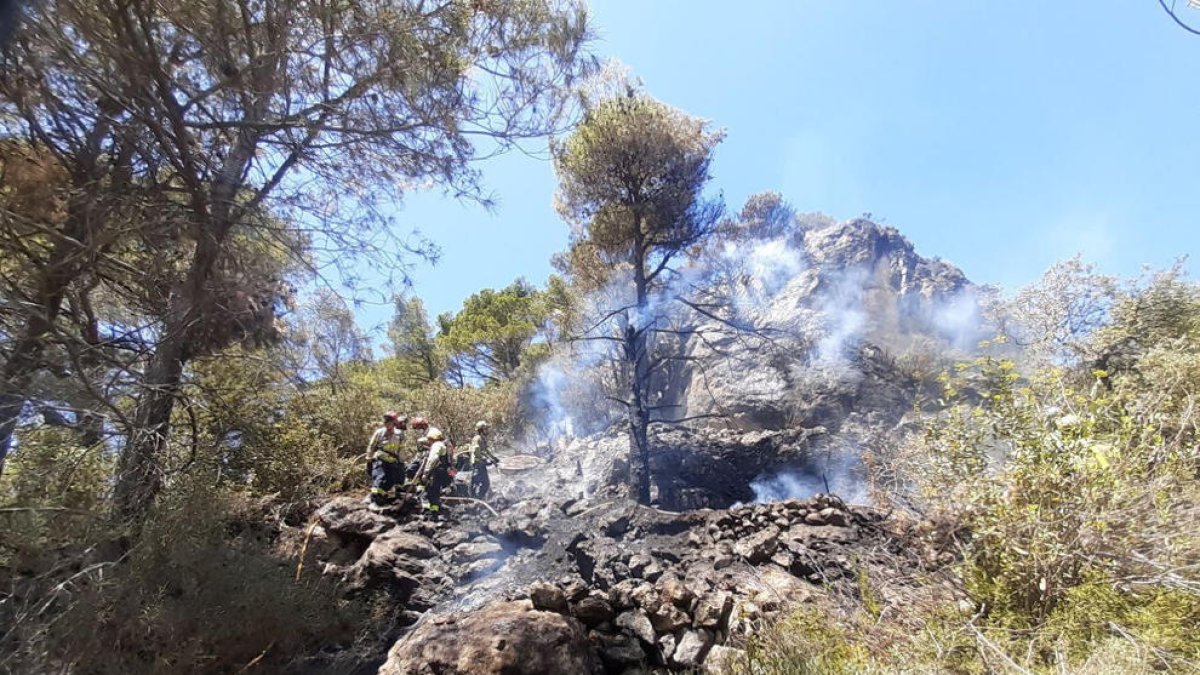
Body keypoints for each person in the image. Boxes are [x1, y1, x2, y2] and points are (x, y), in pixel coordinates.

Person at [365, 411, 407, 510]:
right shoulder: (379, 433)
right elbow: (371, 446)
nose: (387, 423)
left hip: (393, 461)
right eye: (385, 421)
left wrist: (401, 461)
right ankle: (374, 500)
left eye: (389, 422)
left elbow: (401, 449)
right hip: (381, 458)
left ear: (394, 423)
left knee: (390, 481)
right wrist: (368, 459)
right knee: (379, 478)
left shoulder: (400, 434)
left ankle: (382, 500)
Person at [415, 428, 453, 515]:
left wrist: (426, 473)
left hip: (435, 472)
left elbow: (433, 459)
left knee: (428, 492)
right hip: (443, 472)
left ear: (432, 438)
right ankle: (434, 512)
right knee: (435, 493)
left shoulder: (436, 445)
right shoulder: (445, 445)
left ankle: (426, 512)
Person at [468, 420, 498, 499]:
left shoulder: (482, 438)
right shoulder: (477, 439)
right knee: (480, 483)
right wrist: (485, 459)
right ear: (482, 430)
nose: (487, 430)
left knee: (484, 483)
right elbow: (476, 451)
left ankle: (477, 499)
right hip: (478, 465)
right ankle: (475, 500)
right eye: (486, 429)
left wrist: (494, 458)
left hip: (481, 464)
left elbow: (485, 451)